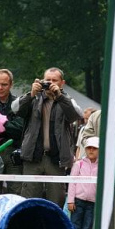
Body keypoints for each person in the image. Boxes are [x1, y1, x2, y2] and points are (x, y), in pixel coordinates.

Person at [11, 67, 83, 209]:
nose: (50, 83)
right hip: (33, 157)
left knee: (56, 200)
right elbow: (15, 109)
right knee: (29, 200)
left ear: (62, 83)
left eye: (54, 80)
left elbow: (77, 114)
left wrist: (60, 96)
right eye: (47, 80)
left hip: (56, 159)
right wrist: (31, 94)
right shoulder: (33, 97)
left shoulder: (66, 100)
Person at [67, 136, 99, 229]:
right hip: (78, 201)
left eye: (94, 148)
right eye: (89, 148)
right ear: (85, 149)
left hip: (93, 202)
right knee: (75, 226)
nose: (91, 150)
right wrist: (70, 201)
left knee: (87, 227)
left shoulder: (102, 166)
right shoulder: (78, 164)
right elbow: (72, 183)